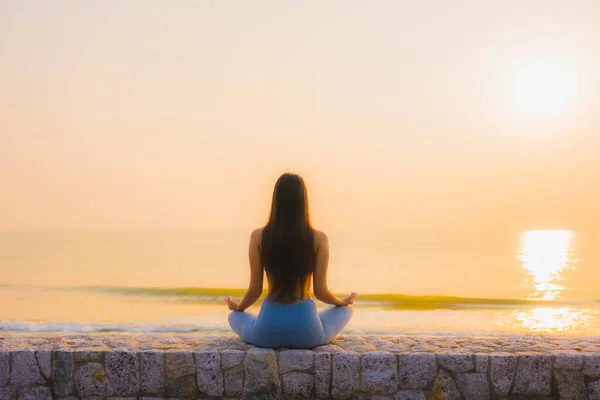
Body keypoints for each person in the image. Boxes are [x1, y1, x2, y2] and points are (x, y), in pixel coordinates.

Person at [225, 173, 356, 348]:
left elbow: (255, 290)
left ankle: (268, 324)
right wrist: (342, 302)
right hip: (307, 332)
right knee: (345, 312)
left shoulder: (258, 237)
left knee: (234, 317)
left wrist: (239, 307)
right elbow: (320, 291)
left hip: (267, 331)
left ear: (275, 200)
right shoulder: (318, 238)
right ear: (303, 201)